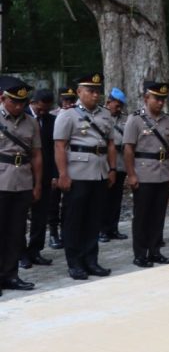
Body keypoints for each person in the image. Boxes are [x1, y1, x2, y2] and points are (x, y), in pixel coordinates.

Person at [53, 73, 117, 280]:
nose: (94, 94)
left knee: (94, 218)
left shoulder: (105, 115)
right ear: (79, 92)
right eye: (90, 90)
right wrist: (63, 174)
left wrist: (113, 169)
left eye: (97, 91)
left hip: (99, 171)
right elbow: (60, 146)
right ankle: (75, 263)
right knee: (74, 219)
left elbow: (110, 144)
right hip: (77, 172)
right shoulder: (68, 115)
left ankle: (91, 260)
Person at [123, 81, 169, 267]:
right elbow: (128, 149)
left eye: (163, 99)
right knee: (142, 216)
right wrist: (131, 174)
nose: (160, 102)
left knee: (158, 215)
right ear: (146, 98)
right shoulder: (135, 119)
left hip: (163, 173)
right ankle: (140, 253)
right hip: (143, 173)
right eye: (156, 98)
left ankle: (155, 250)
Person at [0, 76, 42, 293]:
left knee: (16, 232)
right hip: (1, 181)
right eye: (13, 102)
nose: (18, 106)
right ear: (2, 98)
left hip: (23, 181)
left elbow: (36, 155)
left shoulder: (31, 122)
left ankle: (11, 275)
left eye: (22, 103)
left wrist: (37, 185)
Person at [20, 89, 57, 269]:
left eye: (46, 110)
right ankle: (20, 253)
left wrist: (55, 174)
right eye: (40, 109)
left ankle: (35, 250)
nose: (43, 113)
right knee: (19, 217)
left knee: (40, 216)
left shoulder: (51, 120)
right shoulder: (23, 117)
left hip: (45, 174)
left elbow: (54, 150)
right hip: (23, 174)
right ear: (32, 103)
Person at [46, 85, 76, 250]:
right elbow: (52, 147)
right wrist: (53, 173)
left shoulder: (79, 116)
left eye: (71, 100)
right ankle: (53, 233)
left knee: (70, 203)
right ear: (60, 100)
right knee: (53, 202)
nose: (68, 104)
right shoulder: (53, 117)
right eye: (66, 100)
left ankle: (67, 232)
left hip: (75, 165)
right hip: (57, 165)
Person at [99, 87, 129, 242]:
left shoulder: (125, 119)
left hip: (120, 163)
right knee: (104, 199)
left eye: (121, 106)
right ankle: (102, 230)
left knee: (117, 199)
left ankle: (113, 228)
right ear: (108, 102)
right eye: (116, 105)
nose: (119, 108)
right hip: (104, 164)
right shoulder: (100, 116)